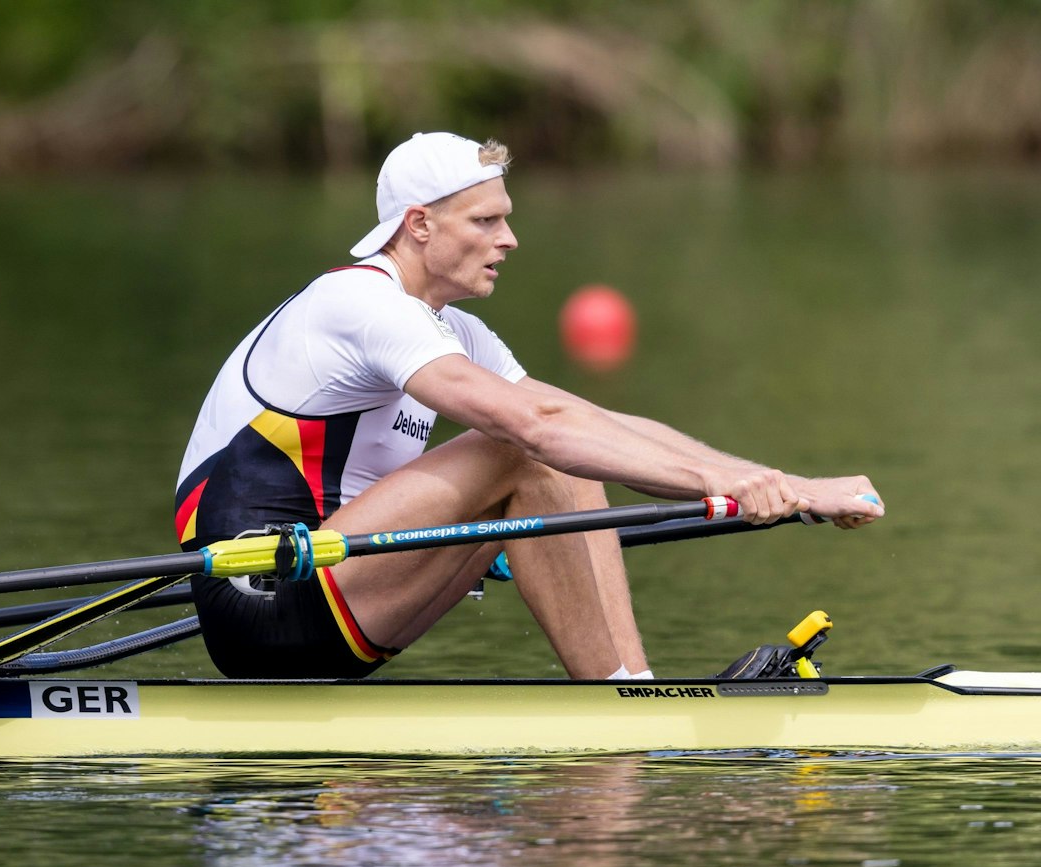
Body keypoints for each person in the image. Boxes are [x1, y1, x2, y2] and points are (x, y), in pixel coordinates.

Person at [173, 131, 883, 681]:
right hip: (262, 596)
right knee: (525, 446)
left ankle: (633, 687)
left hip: (339, 588)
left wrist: (784, 486)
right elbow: (534, 429)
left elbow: (596, 426)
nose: (509, 239)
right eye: (485, 220)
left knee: (572, 450)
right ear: (419, 224)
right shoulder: (358, 303)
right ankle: (618, 705)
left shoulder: (455, 331)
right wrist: (715, 486)